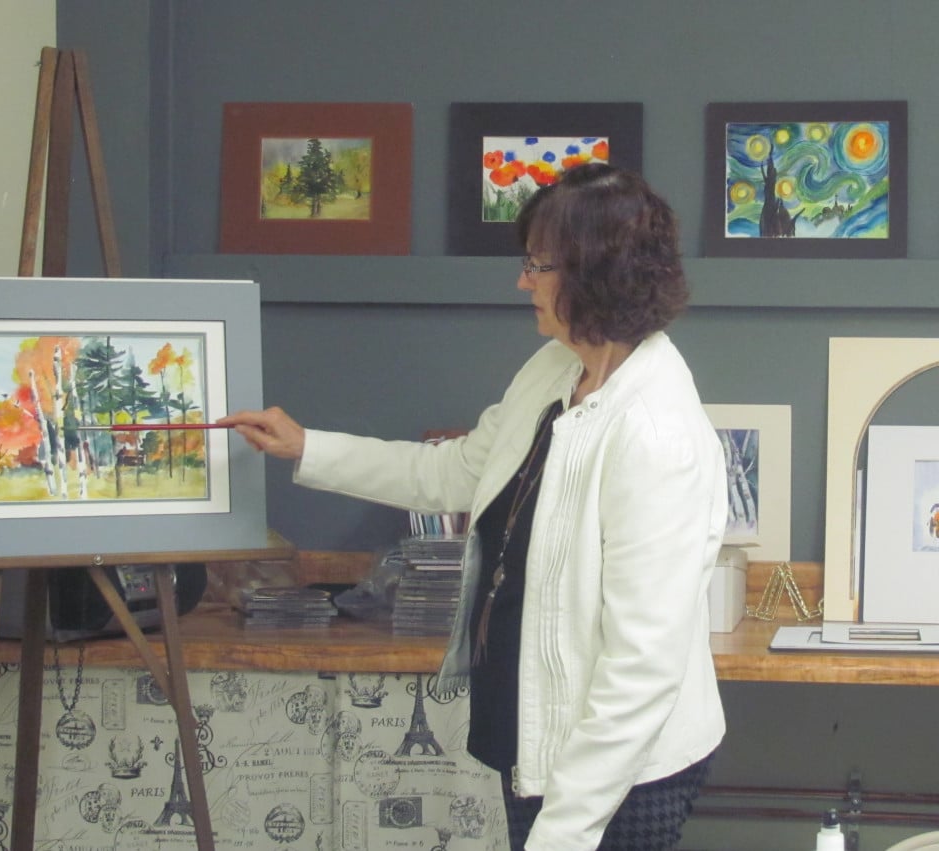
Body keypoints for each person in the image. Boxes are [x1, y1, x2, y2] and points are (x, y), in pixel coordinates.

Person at [219, 163, 727, 851]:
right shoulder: (554, 369)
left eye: (537, 264)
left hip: (621, 774)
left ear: (593, 272)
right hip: (537, 736)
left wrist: (565, 833)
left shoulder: (655, 433)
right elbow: (456, 471)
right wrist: (308, 446)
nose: (524, 281)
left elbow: (642, 668)